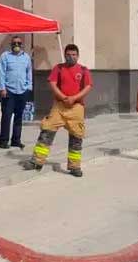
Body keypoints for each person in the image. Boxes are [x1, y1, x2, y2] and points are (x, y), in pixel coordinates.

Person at [22, 44, 93, 177]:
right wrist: (63, 97)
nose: (71, 57)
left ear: (78, 56)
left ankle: (74, 166)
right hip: (59, 106)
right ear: (65, 55)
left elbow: (88, 87)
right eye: (68, 55)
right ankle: (36, 161)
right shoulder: (58, 68)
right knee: (46, 132)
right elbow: (53, 84)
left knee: (76, 137)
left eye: (74, 55)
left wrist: (73, 98)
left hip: (76, 107)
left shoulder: (83, 70)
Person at [0, 36, 33, 150]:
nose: (16, 45)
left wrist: (29, 86)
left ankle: (16, 140)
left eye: (19, 43)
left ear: (22, 44)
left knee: (19, 117)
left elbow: (29, 72)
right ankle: (3, 141)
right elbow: (1, 73)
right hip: (9, 91)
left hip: (22, 91)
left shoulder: (26, 57)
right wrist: (2, 88)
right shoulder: (5, 56)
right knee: (7, 116)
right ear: (11, 44)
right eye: (14, 43)